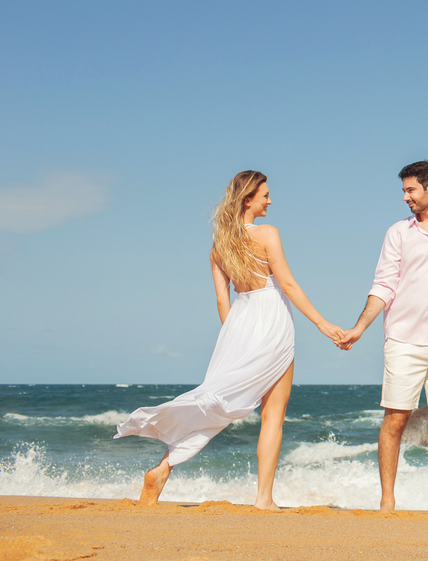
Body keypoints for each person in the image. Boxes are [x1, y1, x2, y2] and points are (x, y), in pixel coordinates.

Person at [115, 170, 344, 508]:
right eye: (265, 194)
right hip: (272, 324)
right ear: (248, 199)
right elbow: (289, 285)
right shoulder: (268, 234)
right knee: (272, 416)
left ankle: (164, 468)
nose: (270, 200)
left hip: (238, 324)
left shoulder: (218, 246)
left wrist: (235, 341)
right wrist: (323, 324)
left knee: (216, 404)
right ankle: (263, 498)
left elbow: (223, 301)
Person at [338, 160, 428, 518]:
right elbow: (384, 286)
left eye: (410, 190)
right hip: (404, 341)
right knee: (395, 420)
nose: (405, 197)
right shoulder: (398, 233)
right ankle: (387, 502)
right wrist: (360, 327)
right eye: (404, 190)